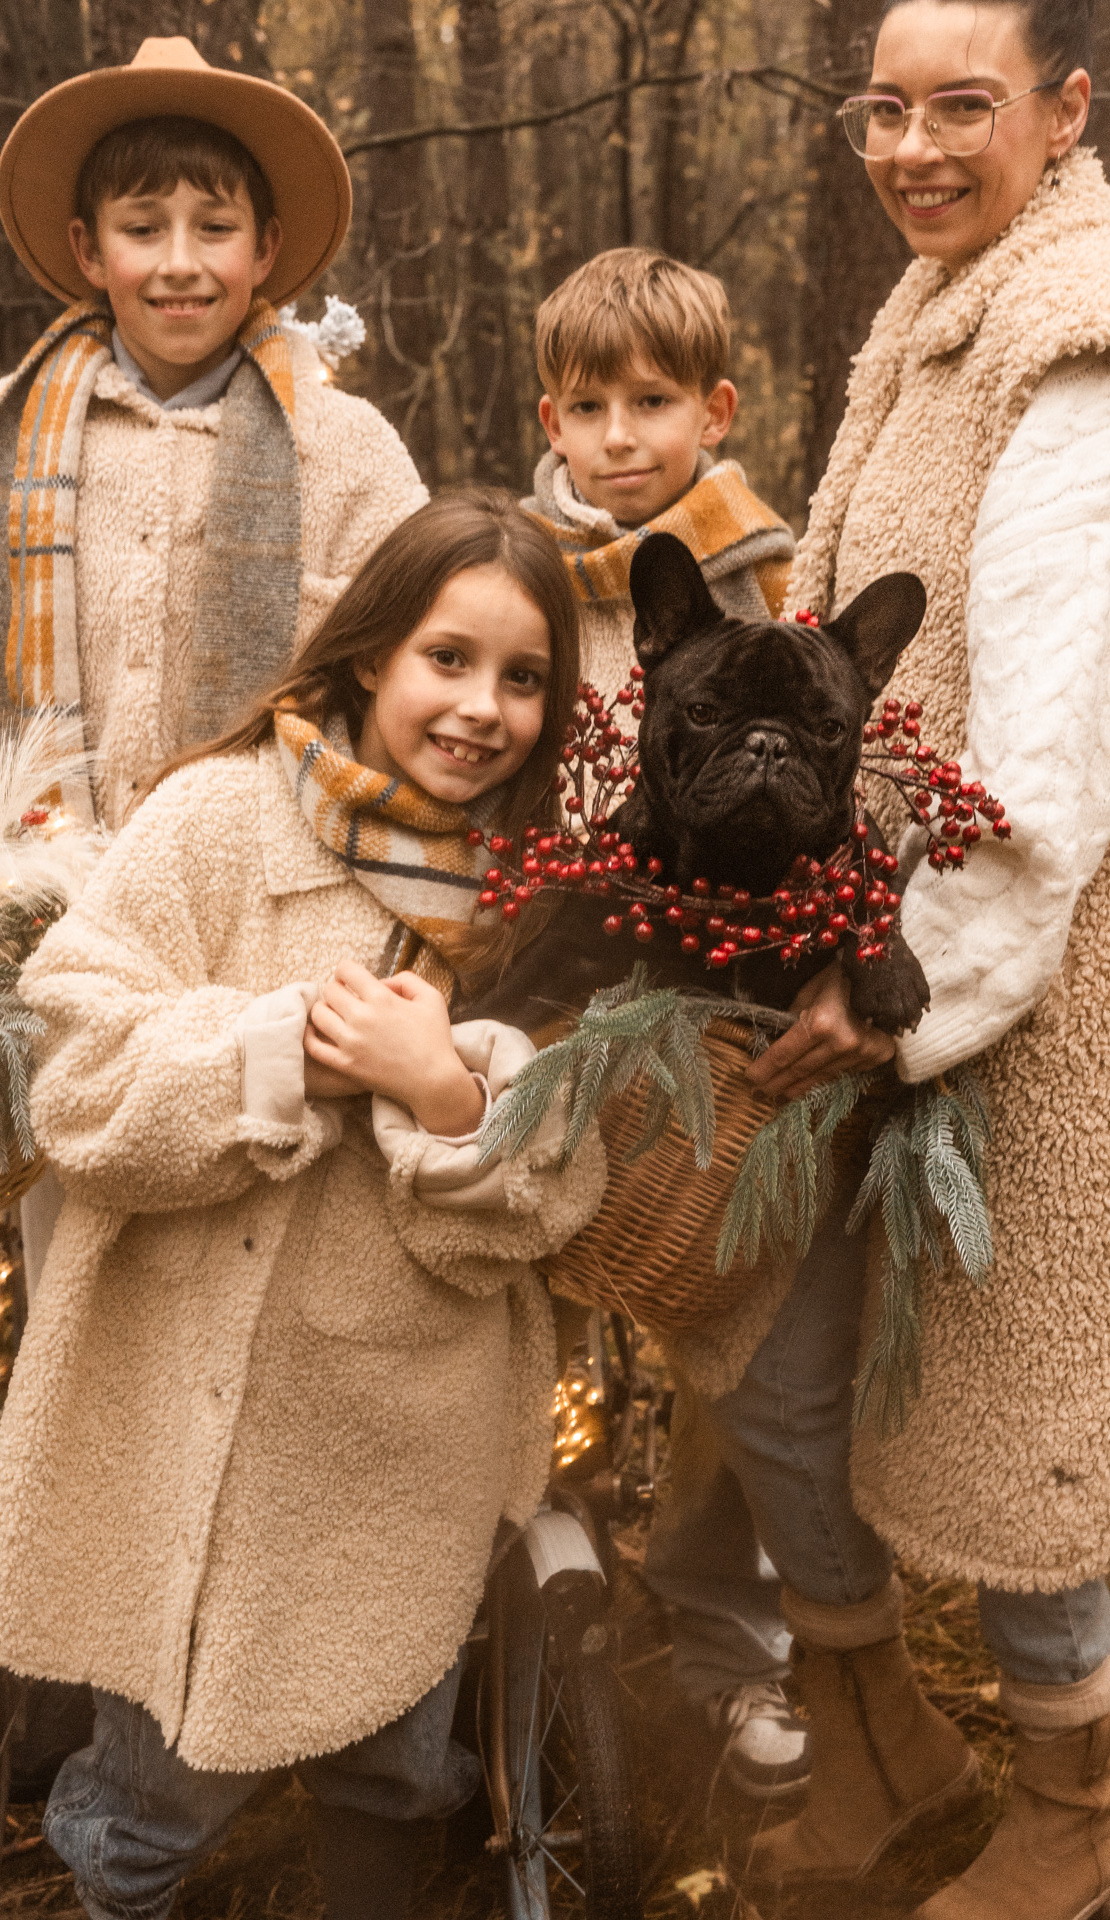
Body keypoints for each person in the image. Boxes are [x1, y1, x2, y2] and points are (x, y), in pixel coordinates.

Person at [0, 493, 606, 1920]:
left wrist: (449, 1100)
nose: (480, 708)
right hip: (188, 1429)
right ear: (373, 652)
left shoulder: (550, 896)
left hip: (400, 1438)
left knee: (390, 1772)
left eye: (523, 679)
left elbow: (567, 1180)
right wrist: (279, 1052)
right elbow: (76, 1069)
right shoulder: (217, 818)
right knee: (155, 1793)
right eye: (449, 658)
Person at [745, 3, 1110, 1915]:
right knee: (783, 1365)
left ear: (1067, 108)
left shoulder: (1076, 348)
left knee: (1021, 1397)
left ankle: (1076, 1815)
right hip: (856, 942)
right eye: (881, 108)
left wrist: (907, 997)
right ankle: (879, 1745)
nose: (911, 147)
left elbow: (1044, 763)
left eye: (963, 107)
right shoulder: (925, 321)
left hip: (1015, 981)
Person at [0, 35, 426, 833]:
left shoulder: (349, 452)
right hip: (11, 903)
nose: (180, 263)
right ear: (90, 250)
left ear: (265, 248)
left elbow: (419, 682)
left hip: (255, 905)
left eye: (215, 228)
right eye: (142, 230)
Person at [522, 246, 809, 1801]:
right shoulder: (508, 572)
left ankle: (727, 1640)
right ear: (547, 419)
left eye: (655, 403)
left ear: (718, 409)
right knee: (521, 1307)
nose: (623, 437)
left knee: (724, 1323)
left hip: (710, 1006)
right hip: (548, 978)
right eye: (590, 405)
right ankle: (529, 1590)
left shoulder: (770, 588)